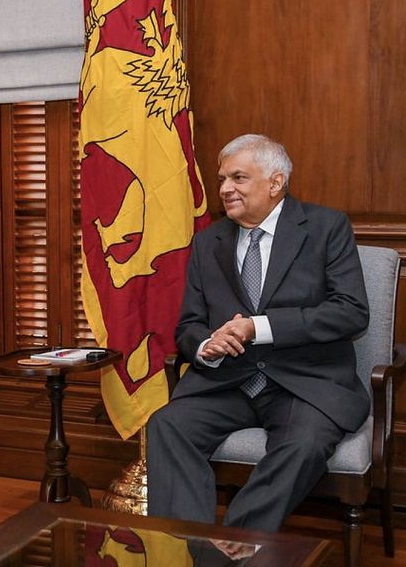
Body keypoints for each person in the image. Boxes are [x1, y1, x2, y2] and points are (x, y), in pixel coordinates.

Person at [146, 134, 369, 532]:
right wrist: (207, 345)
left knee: (303, 444)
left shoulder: (325, 227)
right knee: (167, 425)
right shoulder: (208, 242)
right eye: (222, 179)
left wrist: (258, 328)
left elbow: (351, 312)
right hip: (228, 382)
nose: (224, 189)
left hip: (303, 383)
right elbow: (189, 325)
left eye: (238, 178)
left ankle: (234, 547)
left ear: (275, 182)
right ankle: (186, 547)